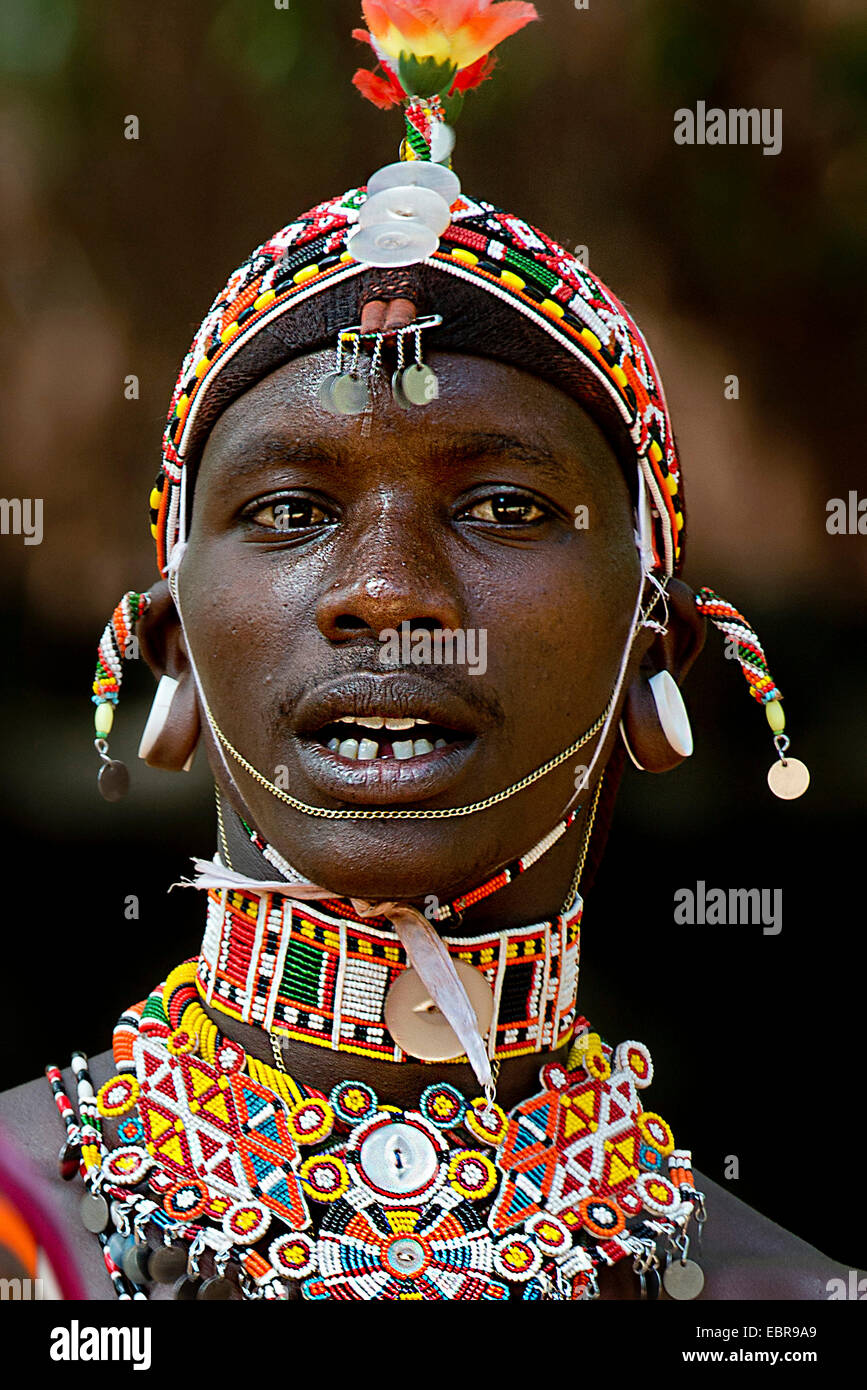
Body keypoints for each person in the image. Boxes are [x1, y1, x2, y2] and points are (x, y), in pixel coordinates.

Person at [0, 2, 848, 1301]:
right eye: (291, 510)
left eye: (505, 505)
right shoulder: (27, 1229)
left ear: (652, 650)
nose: (388, 594)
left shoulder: (777, 1305)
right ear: (166, 640)